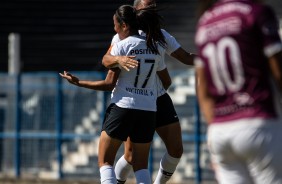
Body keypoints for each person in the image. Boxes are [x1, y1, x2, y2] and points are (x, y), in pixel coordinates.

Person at [64, 4, 170, 183]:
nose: (114, 28)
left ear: (124, 26)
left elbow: (106, 69)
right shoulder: (156, 46)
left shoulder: (123, 45)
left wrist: (79, 82)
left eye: (115, 24)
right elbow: (166, 81)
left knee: (105, 161)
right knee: (141, 166)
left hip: (123, 107)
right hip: (149, 110)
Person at [102, 0, 196, 183]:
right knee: (130, 156)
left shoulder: (161, 35)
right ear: (136, 10)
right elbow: (107, 59)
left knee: (176, 150)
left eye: (154, 5)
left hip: (157, 97)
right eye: (148, 5)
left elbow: (185, 58)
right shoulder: (122, 36)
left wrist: (210, 58)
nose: (153, 8)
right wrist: (119, 59)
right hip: (136, 99)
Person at [195, 0, 282, 183]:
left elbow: (202, 88)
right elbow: (279, 72)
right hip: (258, 121)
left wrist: (214, 127)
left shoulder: (205, 22)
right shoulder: (254, 12)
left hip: (220, 131)